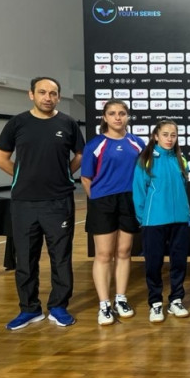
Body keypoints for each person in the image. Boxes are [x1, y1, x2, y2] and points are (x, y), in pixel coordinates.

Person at [0, 77, 84, 330]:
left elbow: (80, 154)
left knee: (61, 257)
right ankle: (29, 309)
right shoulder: (17, 123)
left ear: (59, 96)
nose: (48, 97)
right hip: (24, 203)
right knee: (25, 259)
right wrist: (23, 176)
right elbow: (0, 158)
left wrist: (65, 173)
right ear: (31, 94)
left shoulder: (67, 123)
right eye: (42, 92)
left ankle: (58, 306)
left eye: (53, 93)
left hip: (59, 202)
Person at [81, 100, 145, 325]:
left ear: (127, 116)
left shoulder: (137, 143)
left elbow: (143, 173)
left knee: (124, 251)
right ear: (105, 117)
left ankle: (121, 298)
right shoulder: (95, 144)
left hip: (129, 200)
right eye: (112, 113)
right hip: (103, 202)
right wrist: (98, 201)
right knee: (104, 254)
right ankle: (104, 304)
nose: (118, 117)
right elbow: (86, 178)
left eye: (122, 113)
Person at [132, 120, 190, 323]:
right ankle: (155, 303)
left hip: (180, 220)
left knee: (179, 262)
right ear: (156, 136)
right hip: (154, 221)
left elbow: (183, 186)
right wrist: (144, 218)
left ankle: (176, 299)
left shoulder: (181, 160)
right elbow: (139, 191)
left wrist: (184, 212)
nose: (169, 139)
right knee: (154, 264)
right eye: (165, 134)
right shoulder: (146, 159)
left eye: (173, 135)